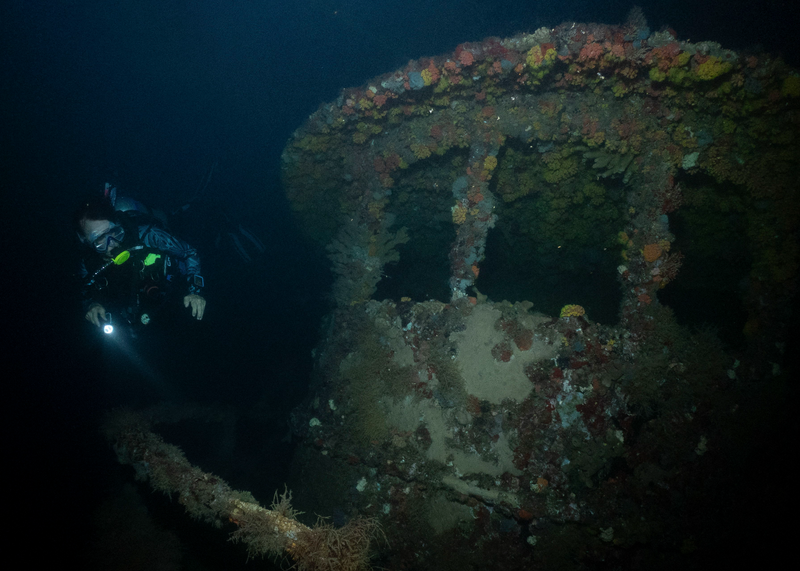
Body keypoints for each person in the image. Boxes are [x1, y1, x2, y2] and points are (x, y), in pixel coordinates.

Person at [74, 194, 206, 330]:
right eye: (100, 239)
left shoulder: (148, 235)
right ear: (86, 241)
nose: (112, 244)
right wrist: (92, 304)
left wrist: (195, 291)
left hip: (170, 294)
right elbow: (85, 288)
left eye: (113, 232)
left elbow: (190, 252)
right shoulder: (88, 261)